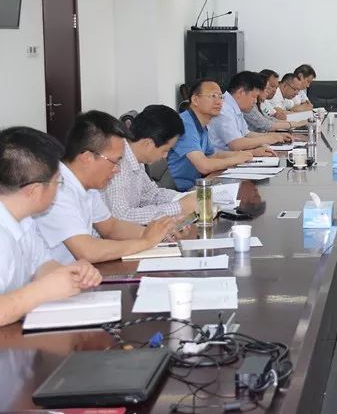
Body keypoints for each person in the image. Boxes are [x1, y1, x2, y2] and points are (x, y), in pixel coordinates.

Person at [34, 111, 178, 264]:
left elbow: (111, 228)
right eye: (115, 161)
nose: (117, 170)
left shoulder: (88, 186)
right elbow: (87, 251)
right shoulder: (57, 189)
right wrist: (145, 242)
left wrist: (157, 233)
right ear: (87, 158)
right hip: (54, 275)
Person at [0, 127, 102, 327]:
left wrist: (71, 273)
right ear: (34, 191)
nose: (59, 188)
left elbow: (41, 264)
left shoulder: (25, 220)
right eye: (58, 182)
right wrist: (41, 291)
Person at [102, 104, 197, 224]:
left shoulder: (135, 158)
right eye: (166, 150)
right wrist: (178, 207)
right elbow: (121, 217)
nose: (165, 156)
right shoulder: (119, 163)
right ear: (148, 144)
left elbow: (151, 195)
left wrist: (185, 198)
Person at [168, 79, 254, 192]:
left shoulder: (201, 123)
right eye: (213, 96)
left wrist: (244, 154)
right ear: (195, 100)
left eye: (220, 97)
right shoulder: (185, 124)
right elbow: (204, 166)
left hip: (200, 184)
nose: (219, 102)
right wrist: (235, 159)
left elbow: (213, 155)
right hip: (181, 192)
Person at [208, 71, 289, 154]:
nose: (255, 101)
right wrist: (268, 139)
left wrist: (274, 136)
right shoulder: (224, 109)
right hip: (221, 159)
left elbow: (247, 134)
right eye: (254, 96)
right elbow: (236, 144)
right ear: (241, 92)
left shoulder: (235, 107)